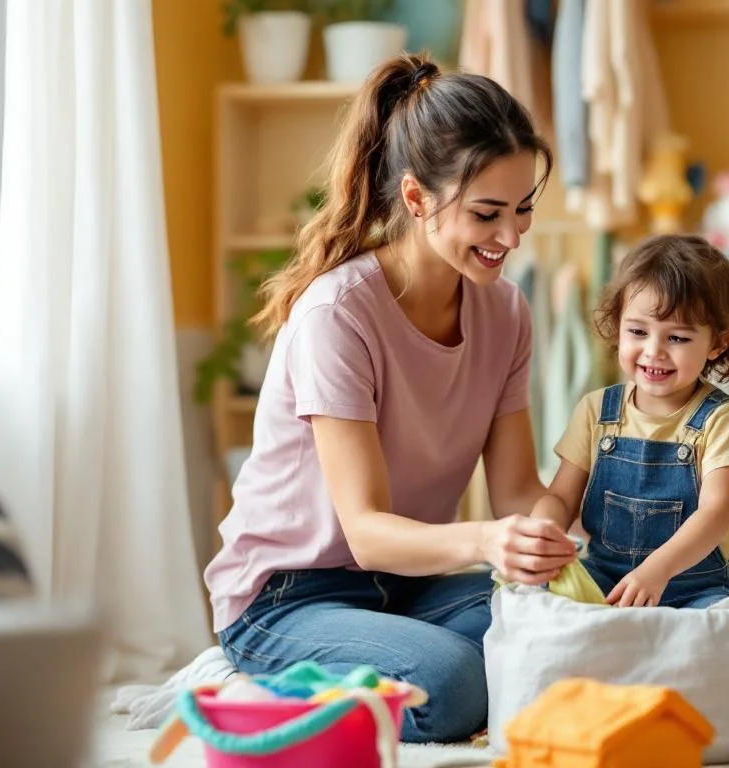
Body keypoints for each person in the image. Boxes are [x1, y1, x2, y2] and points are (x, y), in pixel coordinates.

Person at [201, 52, 580, 744]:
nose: (511, 237)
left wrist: (585, 541)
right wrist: (487, 540)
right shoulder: (338, 315)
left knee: (566, 625)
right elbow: (367, 531)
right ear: (416, 198)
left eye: (523, 209)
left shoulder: (506, 314)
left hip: (407, 586)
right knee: (456, 681)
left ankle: (395, 661)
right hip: (288, 597)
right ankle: (261, 687)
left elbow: (519, 492)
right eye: (486, 213)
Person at [531, 234, 729, 609]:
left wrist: (658, 570)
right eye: (638, 331)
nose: (654, 351)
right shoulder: (595, 410)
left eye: (677, 337)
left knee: (714, 631)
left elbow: (715, 513)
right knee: (551, 606)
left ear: (718, 343)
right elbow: (561, 497)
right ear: (617, 324)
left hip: (694, 586)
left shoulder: (722, 418)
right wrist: (542, 530)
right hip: (609, 578)